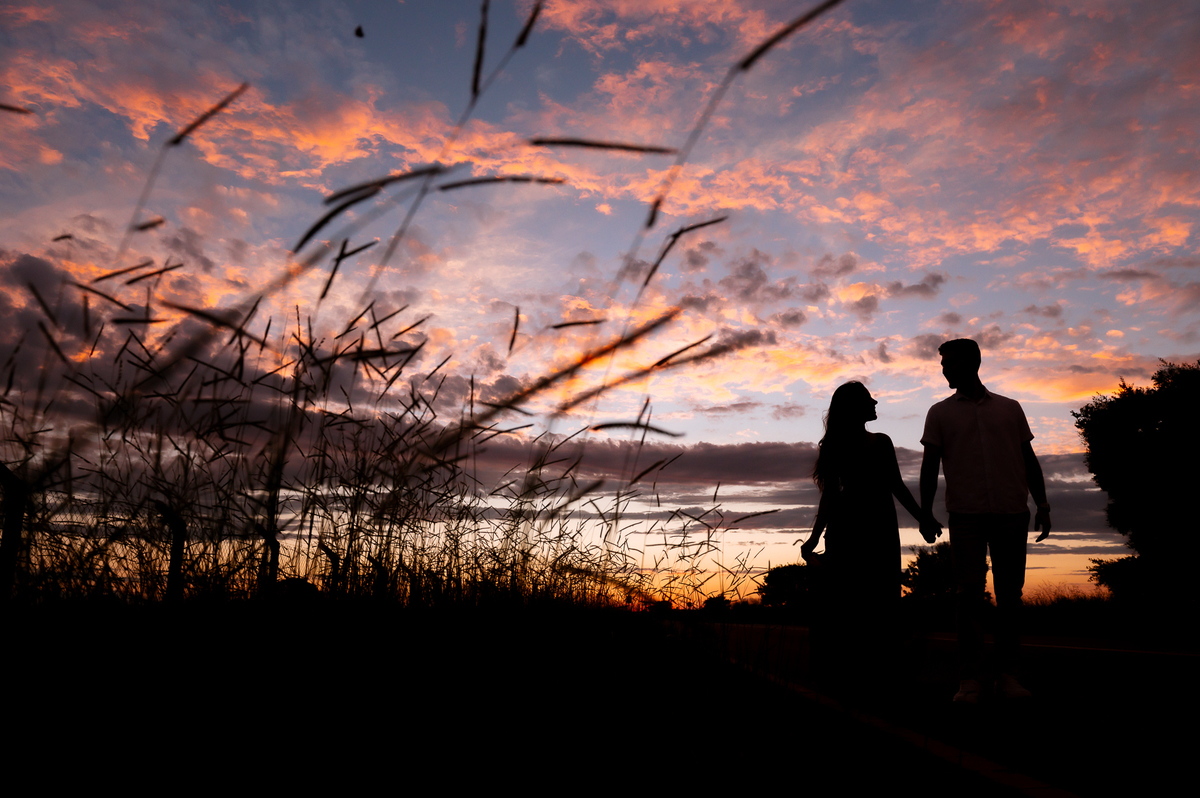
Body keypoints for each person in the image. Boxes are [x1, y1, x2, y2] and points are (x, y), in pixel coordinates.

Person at [919, 339, 1051, 704]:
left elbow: (1028, 458)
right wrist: (925, 511)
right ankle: (970, 679)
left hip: (1011, 512)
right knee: (968, 596)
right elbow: (930, 466)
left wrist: (1043, 503)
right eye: (943, 363)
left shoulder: (1009, 408)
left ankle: (1007, 675)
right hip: (965, 515)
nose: (944, 369)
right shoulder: (940, 412)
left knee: (1010, 597)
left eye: (948, 362)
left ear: (970, 362)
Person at [801, 381, 938, 687]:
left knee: (883, 596)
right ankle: (850, 673)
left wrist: (922, 519)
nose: (875, 403)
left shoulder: (881, 442)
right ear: (854, 408)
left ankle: (880, 671)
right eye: (869, 400)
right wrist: (814, 537)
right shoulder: (836, 447)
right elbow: (830, 496)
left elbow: (896, 485)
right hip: (848, 531)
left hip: (880, 529)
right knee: (851, 601)